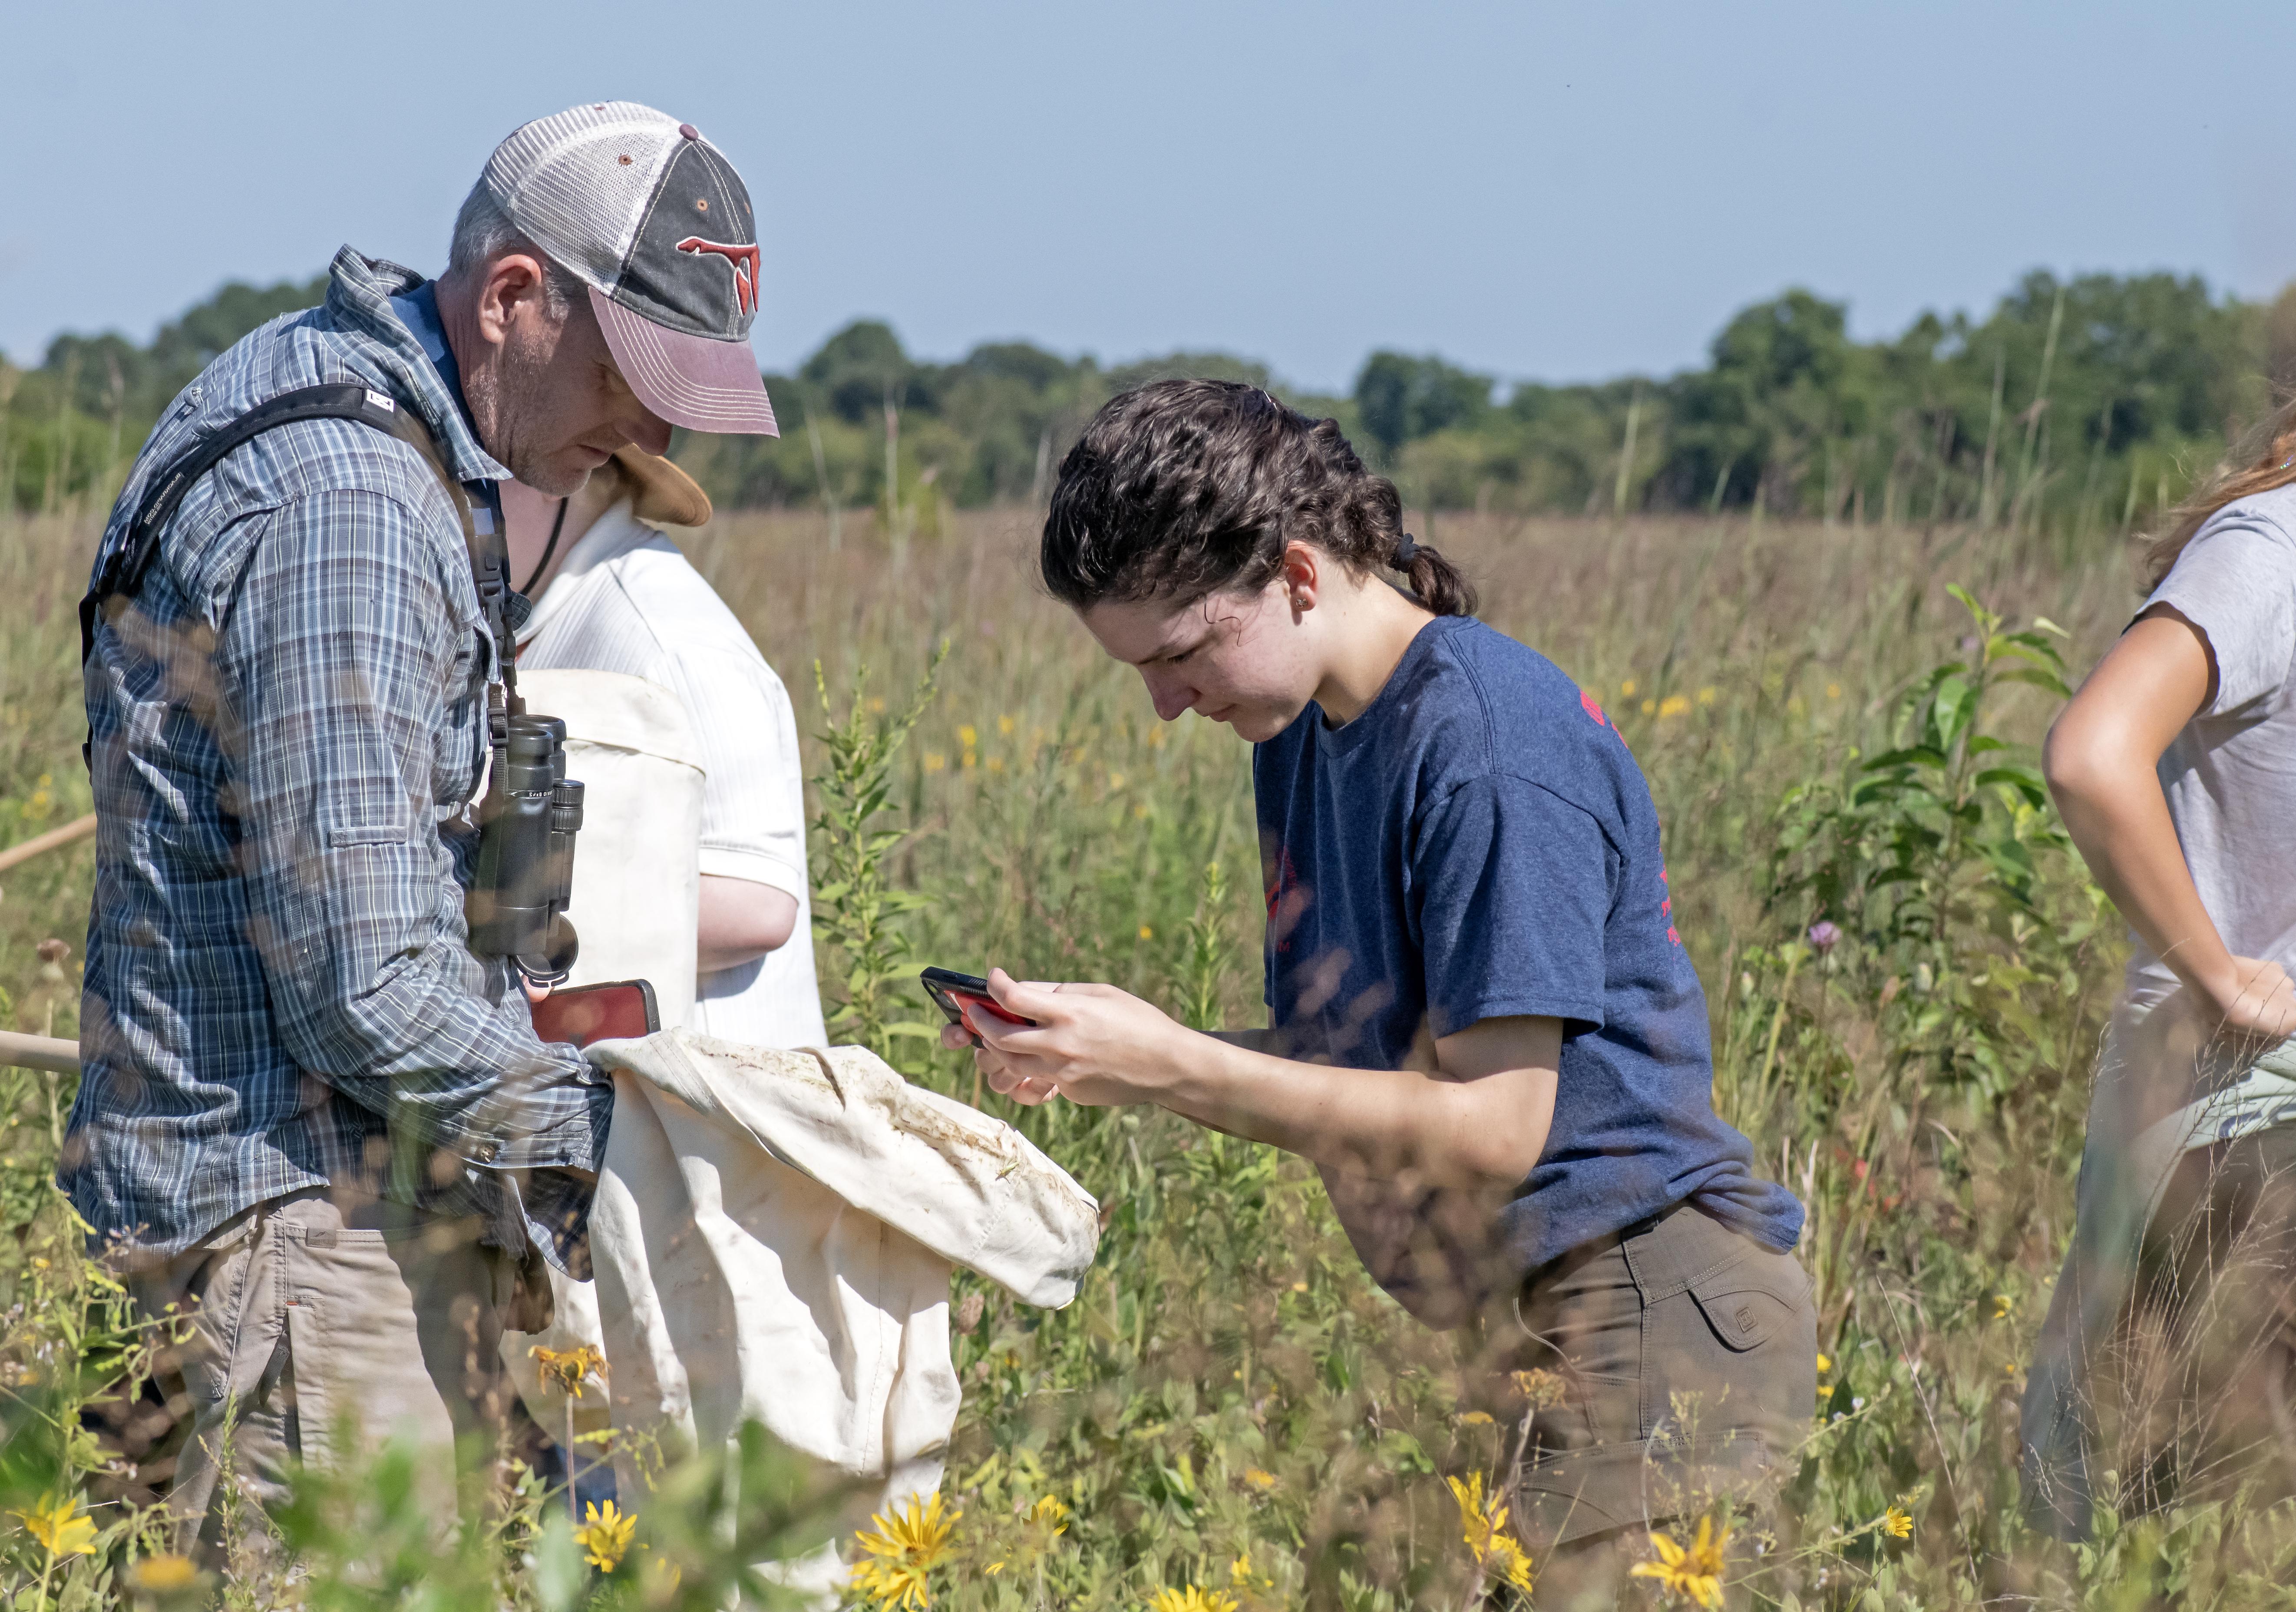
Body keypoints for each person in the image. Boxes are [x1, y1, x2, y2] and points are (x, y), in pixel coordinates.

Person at [945, 380, 1813, 1593]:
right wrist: (1120, 1056)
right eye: (1137, 667)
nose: (1163, 701)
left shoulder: (1487, 745)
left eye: (1183, 652)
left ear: (1298, 574)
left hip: (1648, 1314)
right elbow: (1362, 1072)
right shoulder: (1301, 726)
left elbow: (1497, 1125)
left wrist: (1176, 1062)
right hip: (1523, 1323)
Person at [70, 101, 778, 1554]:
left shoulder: (343, 405)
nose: (647, 432)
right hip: (289, 1239)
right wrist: (617, 1140)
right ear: (514, 297)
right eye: (630, 378)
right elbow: (364, 985)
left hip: (267, 1218)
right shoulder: (352, 503)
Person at [2022, 316, 2296, 1533]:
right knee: (2218, 1550)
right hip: (2255, 1151)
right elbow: (2093, 756)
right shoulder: (2281, 547)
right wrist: (2215, 970)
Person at [500, 449, 826, 1047]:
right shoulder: (551, 609)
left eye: (468, 482)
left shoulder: (672, 643)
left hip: (710, 1120)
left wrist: (491, 909)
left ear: (557, 474)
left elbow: (759, 902)